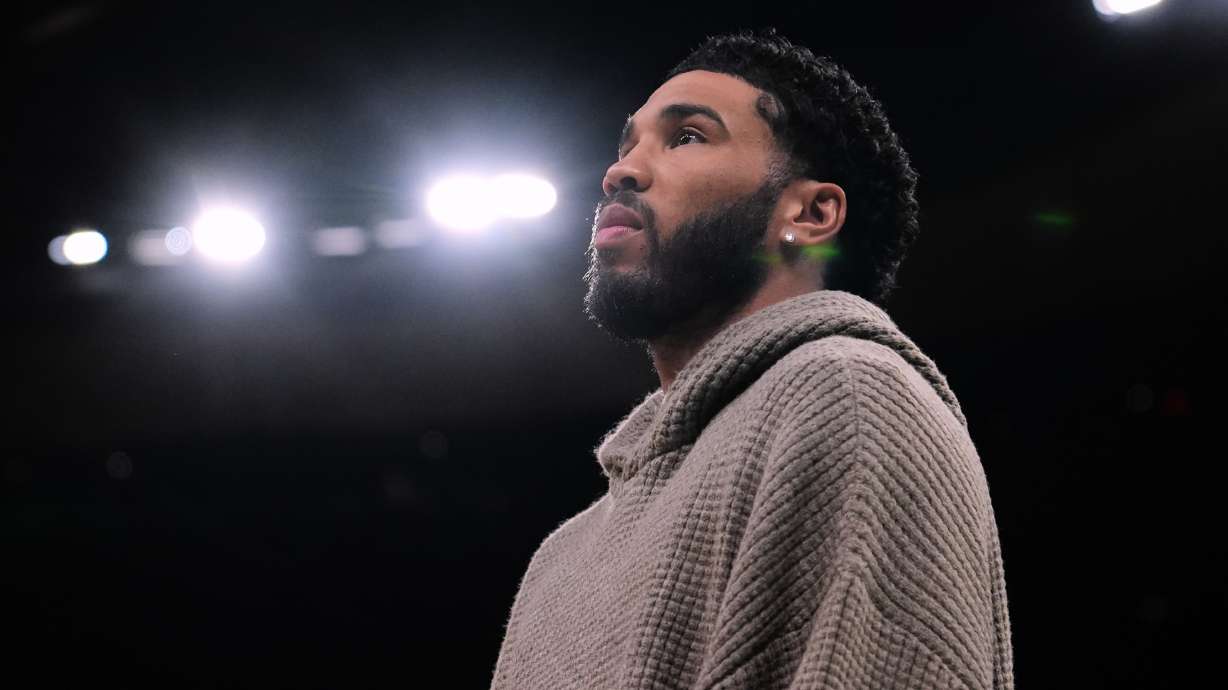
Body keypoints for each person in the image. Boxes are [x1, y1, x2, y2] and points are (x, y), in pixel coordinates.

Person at [491, 30, 1013, 689]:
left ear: (810, 213)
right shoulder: (559, 560)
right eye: (626, 146)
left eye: (686, 137)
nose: (620, 172)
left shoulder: (848, 395)